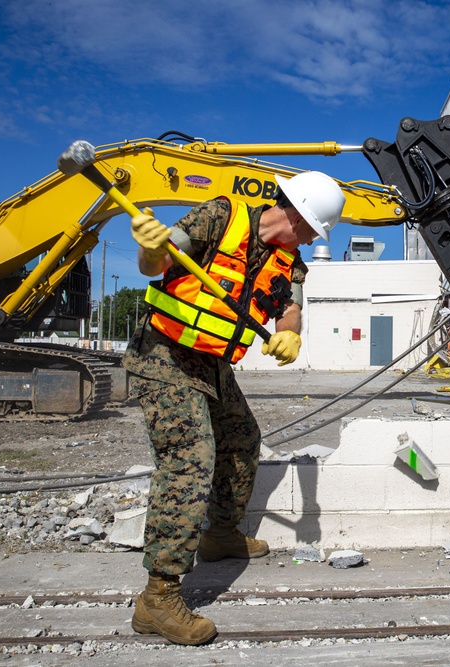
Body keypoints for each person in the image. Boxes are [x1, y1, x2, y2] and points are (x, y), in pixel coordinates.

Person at [123, 171, 346, 645]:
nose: (309, 239)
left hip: (212, 362)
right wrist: (148, 247)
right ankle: (158, 597)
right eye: (310, 228)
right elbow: (156, 261)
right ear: (294, 212)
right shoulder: (219, 216)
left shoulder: (290, 261)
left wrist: (292, 330)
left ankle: (220, 533)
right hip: (164, 352)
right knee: (189, 458)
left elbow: (290, 306)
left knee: (242, 440)